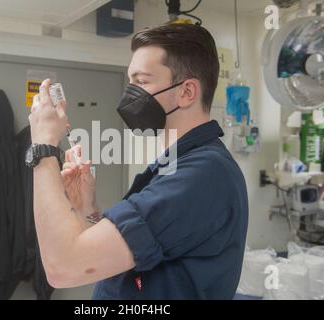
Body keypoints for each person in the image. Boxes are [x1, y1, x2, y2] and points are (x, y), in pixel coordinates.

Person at [28, 23, 248, 299]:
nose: (130, 94)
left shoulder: (201, 174)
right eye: (130, 81)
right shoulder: (177, 166)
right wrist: (87, 208)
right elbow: (107, 258)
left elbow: (63, 268)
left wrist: (43, 147)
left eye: (142, 82)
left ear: (187, 92)